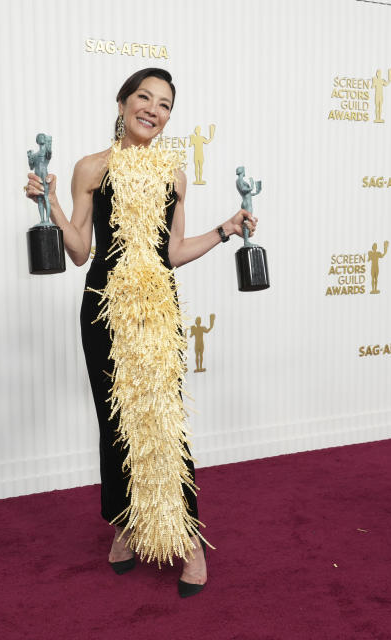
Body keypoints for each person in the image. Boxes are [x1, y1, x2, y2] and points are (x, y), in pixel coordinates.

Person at [25, 68, 257, 597]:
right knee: (115, 424)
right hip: (104, 310)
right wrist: (50, 202)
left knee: (165, 423)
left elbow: (171, 252)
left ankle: (191, 541)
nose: (154, 109)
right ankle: (126, 523)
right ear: (124, 102)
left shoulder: (174, 174)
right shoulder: (92, 167)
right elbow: (80, 249)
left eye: (165, 104)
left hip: (157, 311)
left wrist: (226, 229)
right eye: (145, 98)